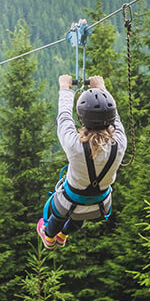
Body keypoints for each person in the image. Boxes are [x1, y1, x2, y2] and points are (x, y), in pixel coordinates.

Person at [37, 74, 127, 248]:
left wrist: (65, 88)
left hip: (67, 203)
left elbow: (64, 118)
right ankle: (63, 235)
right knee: (82, 212)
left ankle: (49, 237)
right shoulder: (119, 144)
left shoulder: (75, 145)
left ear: (83, 119)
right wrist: (102, 88)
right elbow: (116, 119)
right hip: (101, 205)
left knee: (59, 212)